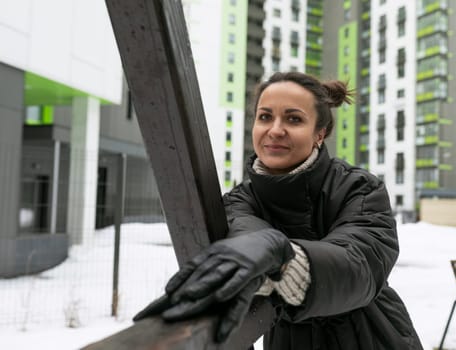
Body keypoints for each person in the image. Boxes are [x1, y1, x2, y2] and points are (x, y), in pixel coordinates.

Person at [134, 71, 423, 349]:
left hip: (373, 339)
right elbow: (243, 229)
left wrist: (282, 257)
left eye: (294, 119)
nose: (275, 130)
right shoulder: (238, 200)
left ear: (319, 134)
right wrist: (258, 249)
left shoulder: (359, 189)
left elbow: (360, 265)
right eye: (265, 117)